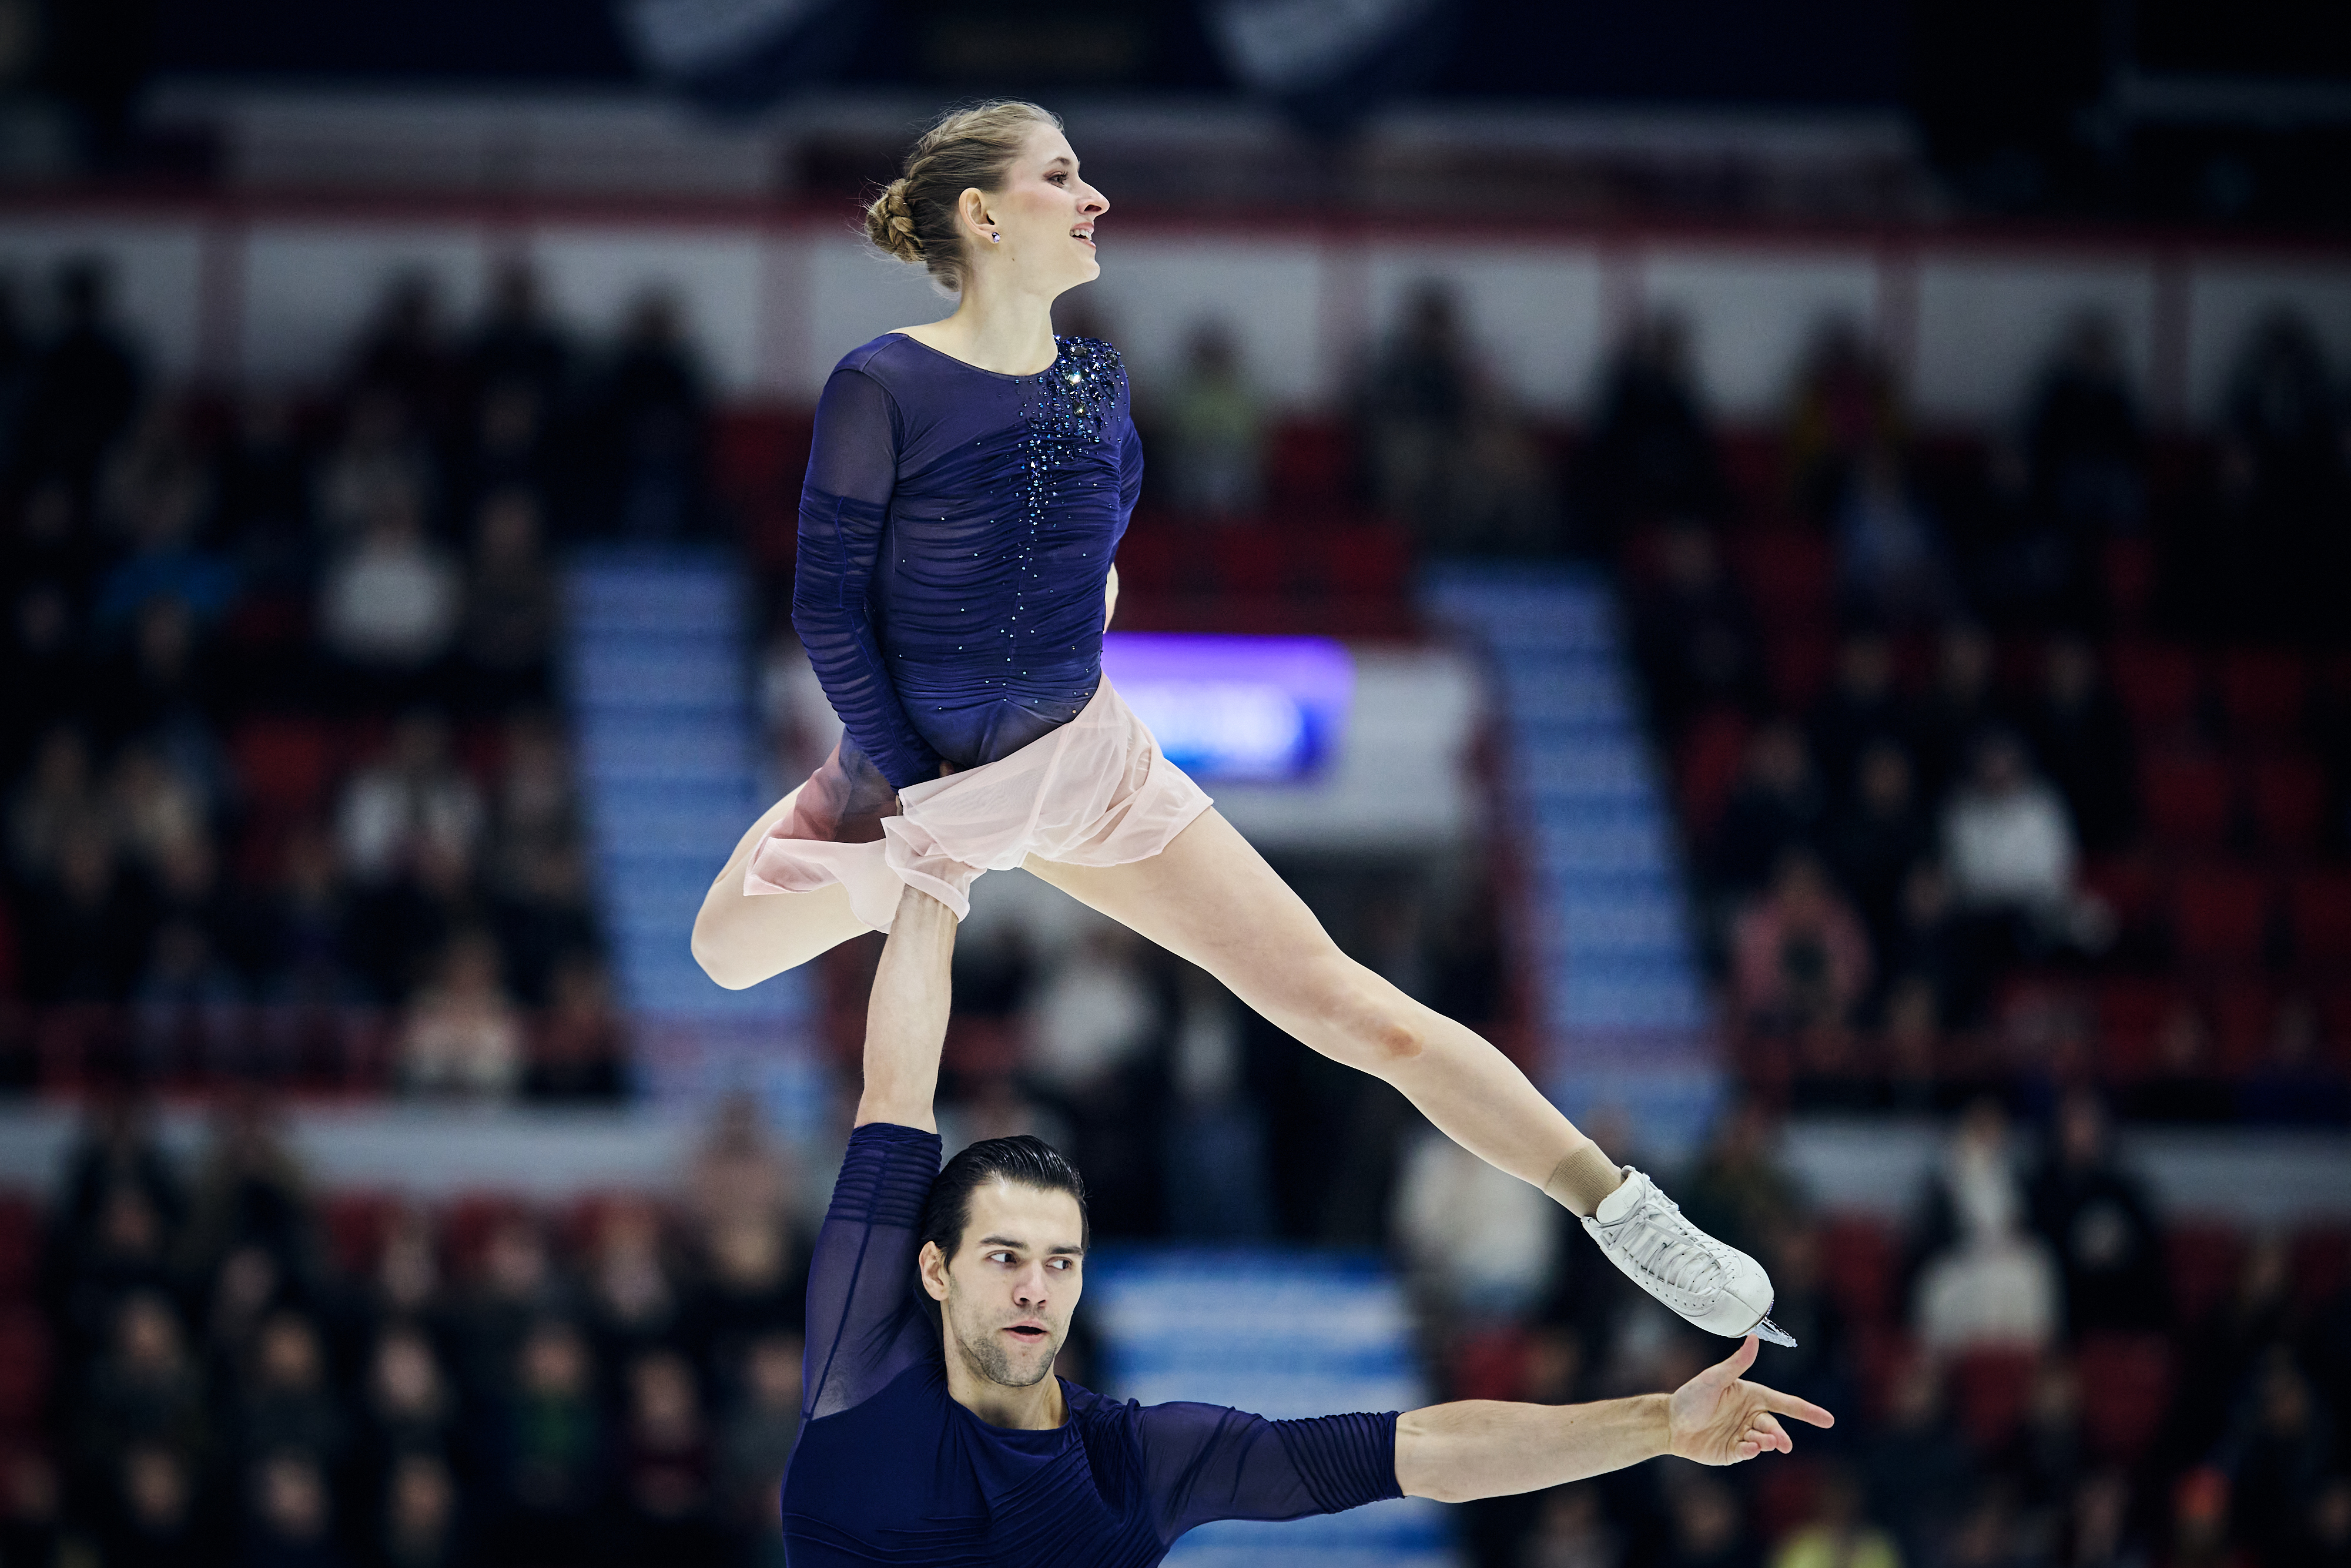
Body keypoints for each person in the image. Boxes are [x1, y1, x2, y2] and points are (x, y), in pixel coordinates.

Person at [690, 98, 1787, 1344]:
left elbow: (1087, 564)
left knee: (1343, 1004)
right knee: (724, 949)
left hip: (1078, 764)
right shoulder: (882, 382)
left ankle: (1630, 1214)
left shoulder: (1096, 387)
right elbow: (825, 606)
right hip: (911, 764)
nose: (1094, 196)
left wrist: (1023, 701)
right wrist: (921, 791)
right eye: (1062, 175)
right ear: (985, 215)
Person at [781, 882, 1834, 1565]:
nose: (1034, 1287)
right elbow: (897, 1094)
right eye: (1005, 1256)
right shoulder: (858, 1372)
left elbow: (1417, 1452)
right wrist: (931, 868)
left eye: (1061, 1262)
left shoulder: (1134, 1465)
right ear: (933, 1270)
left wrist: (1657, 1424)